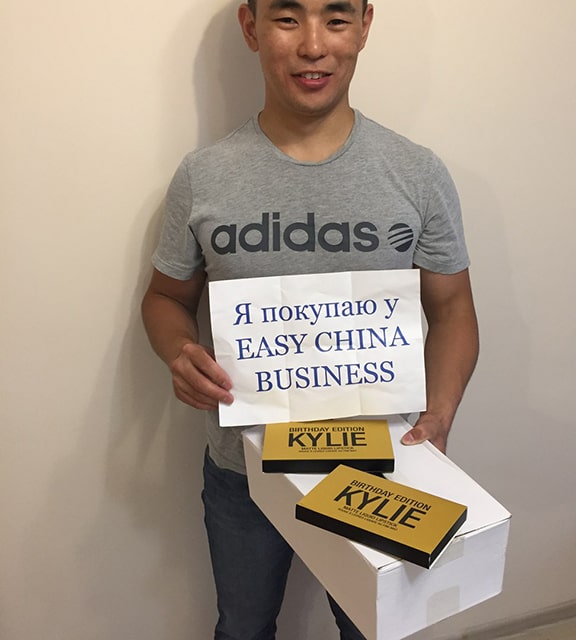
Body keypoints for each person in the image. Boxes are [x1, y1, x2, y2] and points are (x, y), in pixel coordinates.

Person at [141, 0, 479, 638]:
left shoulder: (417, 173)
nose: (314, 45)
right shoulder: (204, 176)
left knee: (372, 630)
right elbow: (164, 297)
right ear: (252, 28)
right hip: (244, 470)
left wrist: (441, 412)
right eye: (288, 18)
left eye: (337, 19)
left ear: (365, 26)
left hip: (380, 467)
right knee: (243, 628)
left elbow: (453, 307)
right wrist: (178, 351)